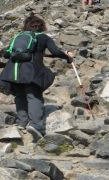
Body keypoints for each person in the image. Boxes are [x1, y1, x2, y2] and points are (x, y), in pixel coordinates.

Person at [0, 13, 74, 141]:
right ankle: (36, 126)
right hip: (32, 72)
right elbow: (55, 52)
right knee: (34, 96)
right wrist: (68, 57)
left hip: (13, 72)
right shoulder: (43, 37)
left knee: (20, 96)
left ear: (26, 26)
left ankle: (21, 123)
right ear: (42, 26)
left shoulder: (18, 37)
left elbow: (6, 54)